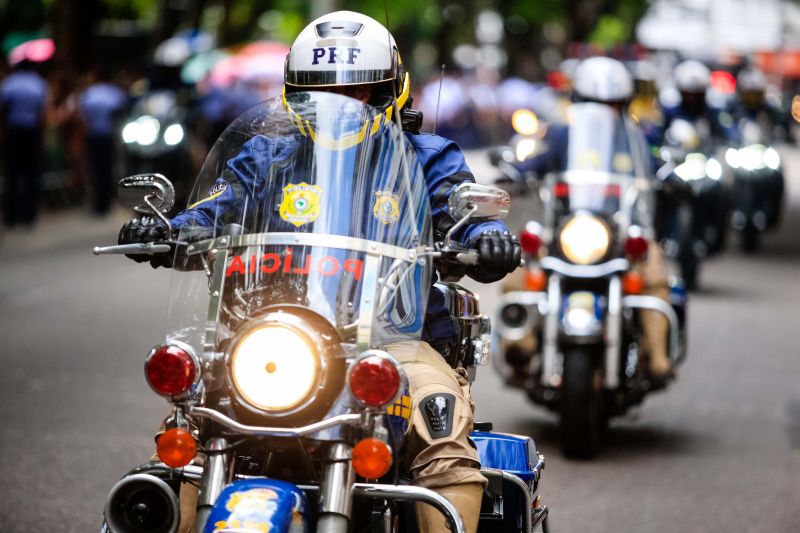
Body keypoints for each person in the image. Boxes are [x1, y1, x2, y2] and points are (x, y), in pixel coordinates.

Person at [117, 11, 520, 533]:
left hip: (395, 340)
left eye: (359, 93)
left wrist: (481, 238)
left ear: (391, 91)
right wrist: (166, 230)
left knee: (441, 439)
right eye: (318, 92)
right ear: (292, 92)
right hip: (273, 336)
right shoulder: (267, 155)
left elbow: (456, 212)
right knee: (188, 439)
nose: (340, 106)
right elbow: (215, 212)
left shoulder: (428, 158)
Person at [506, 56, 672, 382]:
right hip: (567, 229)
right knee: (518, 266)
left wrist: (669, 175)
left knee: (654, 272)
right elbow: (535, 164)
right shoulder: (560, 136)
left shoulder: (637, 139)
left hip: (621, 232)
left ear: (623, 104)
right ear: (577, 101)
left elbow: (654, 168)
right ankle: (519, 344)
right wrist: (517, 170)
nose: (603, 110)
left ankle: (657, 356)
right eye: (594, 102)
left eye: (610, 103)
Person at [0, 59, 48, 227]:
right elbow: (42, 113)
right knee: (31, 174)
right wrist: (42, 138)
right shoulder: (38, 83)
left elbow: (3, 109)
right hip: (32, 132)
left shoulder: (9, 83)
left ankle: (11, 216)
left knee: (12, 175)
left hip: (13, 132)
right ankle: (29, 215)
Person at [79, 68, 128, 215]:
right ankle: (106, 203)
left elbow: (84, 117)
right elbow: (120, 113)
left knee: (95, 170)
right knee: (107, 169)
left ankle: (98, 203)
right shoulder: (115, 93)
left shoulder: (89, 93)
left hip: (93, 136)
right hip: (108, 136)